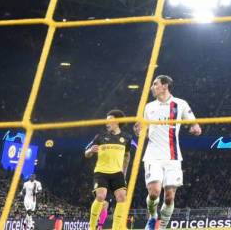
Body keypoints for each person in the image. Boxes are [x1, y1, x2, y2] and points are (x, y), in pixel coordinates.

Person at [136, 75, 201, 230]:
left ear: (164, 86)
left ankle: (163, 226)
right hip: (153, 155)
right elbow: (143, 131)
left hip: (173, 157)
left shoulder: (180, 104)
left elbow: (195, 125)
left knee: (170, 197)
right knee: (154, 192)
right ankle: (152, 217)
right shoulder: (149, 107)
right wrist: (139, 131)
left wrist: (195, 128)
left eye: (155, 84)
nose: (152, 87)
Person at [85, 110, 135, 230]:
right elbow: (86, 153)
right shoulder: (100, 137)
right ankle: (91, 227)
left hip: (117, 173)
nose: (107, 123)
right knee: (101, 197)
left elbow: (127, 157)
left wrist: (124, 173)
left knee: (122, 197)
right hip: (101, 172)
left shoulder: (127, 138)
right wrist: (91, 151)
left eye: (109, 120)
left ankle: (116, 227)